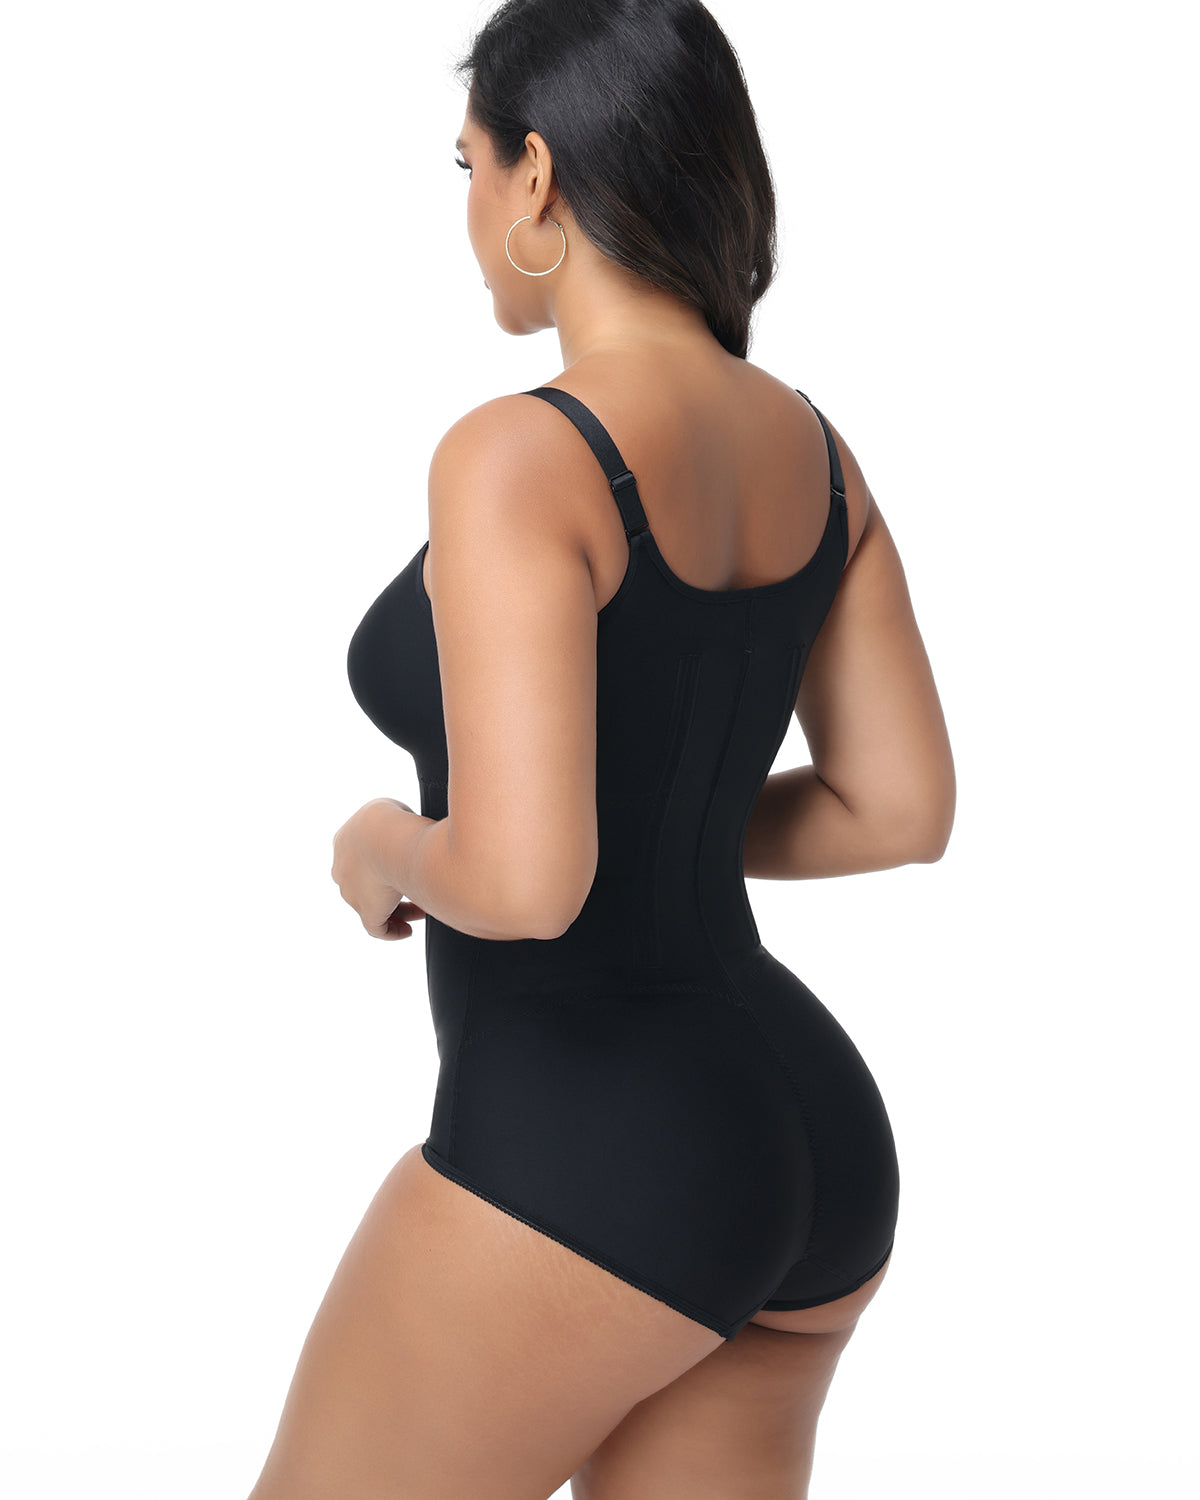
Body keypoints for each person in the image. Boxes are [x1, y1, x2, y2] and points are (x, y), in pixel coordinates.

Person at [247, 1, 955, 1495]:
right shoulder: (819, 454)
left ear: (539, 176)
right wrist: (646, 818)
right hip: (810, 1136)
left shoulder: (518, 454)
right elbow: (896, 809)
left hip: (592, 1143)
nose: (468, 215)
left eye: (468, 169)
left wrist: (387, 846)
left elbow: (525, 880)